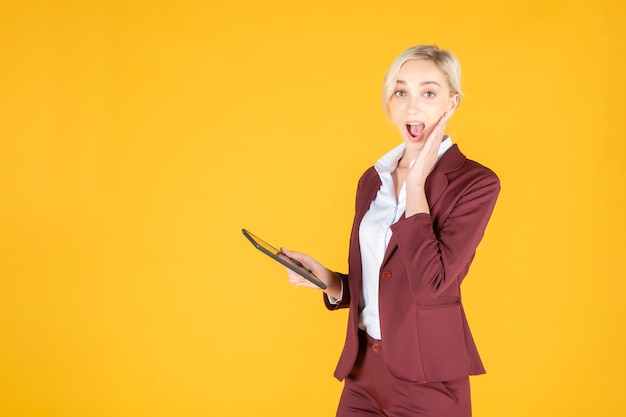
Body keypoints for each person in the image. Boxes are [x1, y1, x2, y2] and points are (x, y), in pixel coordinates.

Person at [281, 45, 500, 417]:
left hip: (428, 379)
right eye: (401, 92)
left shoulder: (475, 183)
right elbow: (388, 278)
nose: (412, 107)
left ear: (452, 103)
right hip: (364, 372)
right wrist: (333, 284)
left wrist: (416, 187)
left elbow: (430, 283)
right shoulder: (373, 179)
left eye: (428, 93)